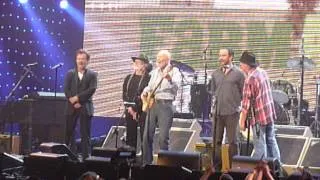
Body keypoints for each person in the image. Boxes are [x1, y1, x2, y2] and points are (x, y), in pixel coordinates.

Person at [238, 51, 281, 162]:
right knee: (271, 141)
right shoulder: (263, 72)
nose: (240, 66)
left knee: (260, 145)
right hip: (269, 114)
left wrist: (242, 122)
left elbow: (246, 104)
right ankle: (277, 168)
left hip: (258, 118)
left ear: (246, 65)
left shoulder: (250, 79)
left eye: (241, 63)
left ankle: (261, 171)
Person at [141, 50, 181, 166]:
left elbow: (175, 88)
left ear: (167, 60)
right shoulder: (154, 72)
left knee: (163, 138)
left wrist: (169, 79)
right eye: (157, 59)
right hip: (153, 104)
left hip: (165, 105)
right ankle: (146, 163)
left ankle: (164, 165)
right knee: (146, 136)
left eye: (161, 59)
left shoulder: (174, 71)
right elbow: (150, 86)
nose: (158, 61)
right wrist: (145, 92)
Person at [211, 48, 245, 170]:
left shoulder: (239, 73)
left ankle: (234, 168)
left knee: (232, 142)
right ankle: (216, 168)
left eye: (223, 55)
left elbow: (244, 93)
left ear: (231, 57)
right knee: (216, 141)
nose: (220, 58)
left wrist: (238, 106)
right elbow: (213, 92)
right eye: (219, 55)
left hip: (232, 113)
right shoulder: (215, 73)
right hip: (218, 113)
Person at [64, 49, 97, 160]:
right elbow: (66, 89)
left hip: (85, 107)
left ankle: (86, 158)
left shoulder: (92, 74)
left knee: (85, 134)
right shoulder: (70, 73)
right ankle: (69, 156)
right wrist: (72, 100)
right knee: (69, 133)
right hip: (71, 107)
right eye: (78, 59)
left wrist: (78, 99)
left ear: (87, 61)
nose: (80, 61)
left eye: (83, 59)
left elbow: (91, 89)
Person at [122, 53, 151, 150]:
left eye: (139, 62)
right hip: (129, 111)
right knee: (130, 137)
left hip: (142, 111)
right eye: (135, 62)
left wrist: (136, 110)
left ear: (145, 65)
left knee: (144, 137)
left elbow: (146, 95)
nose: (136, 64)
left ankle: (144, 161)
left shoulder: (149, 78)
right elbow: (124, 94)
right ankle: (130, 159)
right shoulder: (128, 78)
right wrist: (130, 109)